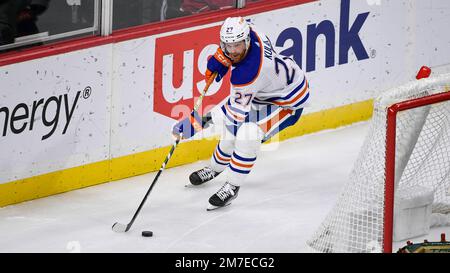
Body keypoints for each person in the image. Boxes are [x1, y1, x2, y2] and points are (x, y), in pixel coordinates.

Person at [172, 17, 310, 210]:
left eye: (237, 46)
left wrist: (195, 123)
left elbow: (233, 114)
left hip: (287, 101)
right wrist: (222, 58)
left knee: (247, 135)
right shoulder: (251, 33)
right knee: (232, 131)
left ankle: (232, 186)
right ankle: (214, 169)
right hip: (263, 93)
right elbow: (239, 32)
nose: (233, 51)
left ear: (245, 41)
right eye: (228, 46)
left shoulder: (249, 74)